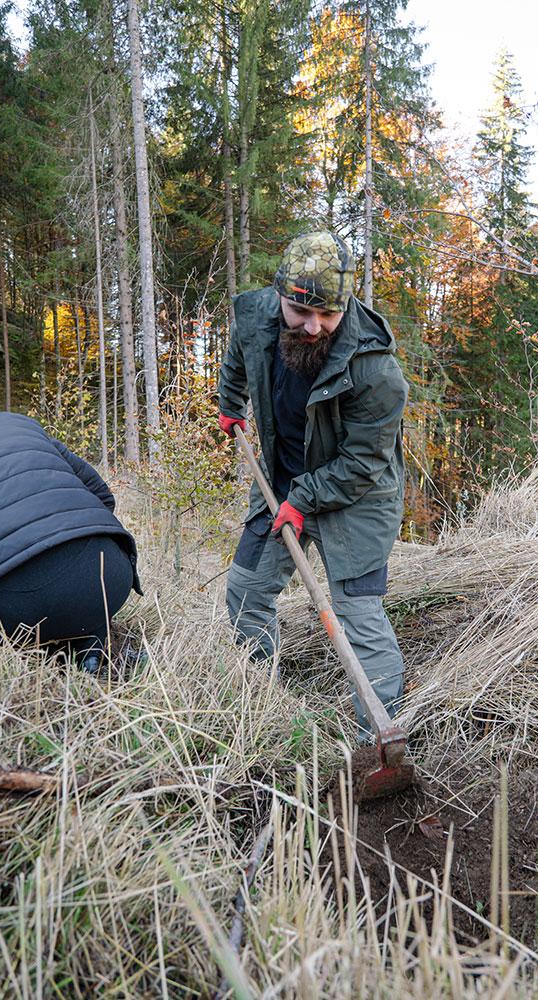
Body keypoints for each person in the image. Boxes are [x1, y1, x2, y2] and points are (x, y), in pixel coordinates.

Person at [218, 230, 408, 738]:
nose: (313, 326)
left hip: (357, 495)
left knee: (358, 615)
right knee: (245, 592)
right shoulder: (255, 316)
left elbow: (363, 461)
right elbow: (238, 359)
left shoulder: (376, 370)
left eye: (328, 315)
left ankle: (378, 735)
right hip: (281, 475)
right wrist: (229, 405)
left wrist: (303, 499)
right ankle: (261, 699)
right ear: (279, 296)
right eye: (301, 312)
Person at [0, 409, 142, 672]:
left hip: (13, 609)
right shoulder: (23, 423)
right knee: (84, 581)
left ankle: (51, 649)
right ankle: (90, 650)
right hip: (111, 578)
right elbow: (102, 494)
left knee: (34, 601)